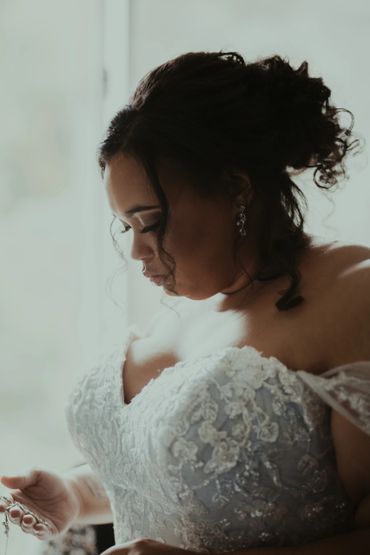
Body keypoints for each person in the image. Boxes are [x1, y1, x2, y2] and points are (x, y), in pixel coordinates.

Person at [1, 50, 370, 555]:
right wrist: (75, 495)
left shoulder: (355, 294)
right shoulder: (184, 309)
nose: (135, 250)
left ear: (236, 188)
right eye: (125, 226)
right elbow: (192, 479)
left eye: (150, 222)